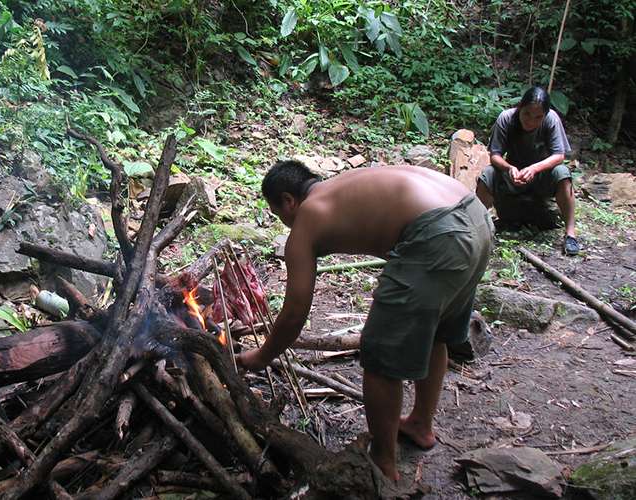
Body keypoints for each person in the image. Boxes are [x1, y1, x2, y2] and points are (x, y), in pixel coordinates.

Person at [235, 160, 493, 481]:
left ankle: (383, 464)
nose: (285, 224)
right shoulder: (340, 187)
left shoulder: (308, 216)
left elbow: (294, 312)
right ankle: (420, 424)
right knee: (436, 333)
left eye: (280, 215)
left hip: (440, 234)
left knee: (380, 353)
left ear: (288, 201)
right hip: (476, 217)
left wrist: (261, 356)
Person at [476, 86, 579, 255]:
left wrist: (535, 168)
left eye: (538, 117)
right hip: (513, 175)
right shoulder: (506, 118)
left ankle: (570, 234)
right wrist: (509, 168)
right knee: (488, 174)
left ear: (545, 115)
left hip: (542, 176)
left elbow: (559, 156)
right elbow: (495, 155)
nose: (531, 121)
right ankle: (475, 227)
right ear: (519, 108)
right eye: (527, 114)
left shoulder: (551, 119)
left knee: (562, 174)